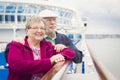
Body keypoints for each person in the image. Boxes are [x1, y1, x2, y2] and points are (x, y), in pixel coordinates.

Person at [7, 16, 75, 80]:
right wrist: (50, 61)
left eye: (42, 28)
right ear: (27, 30)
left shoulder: (48, 46)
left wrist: (61, 54)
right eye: (35, 28)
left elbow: (70, 53)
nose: (39, 31)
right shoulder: (17, 45)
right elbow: (20, 66)